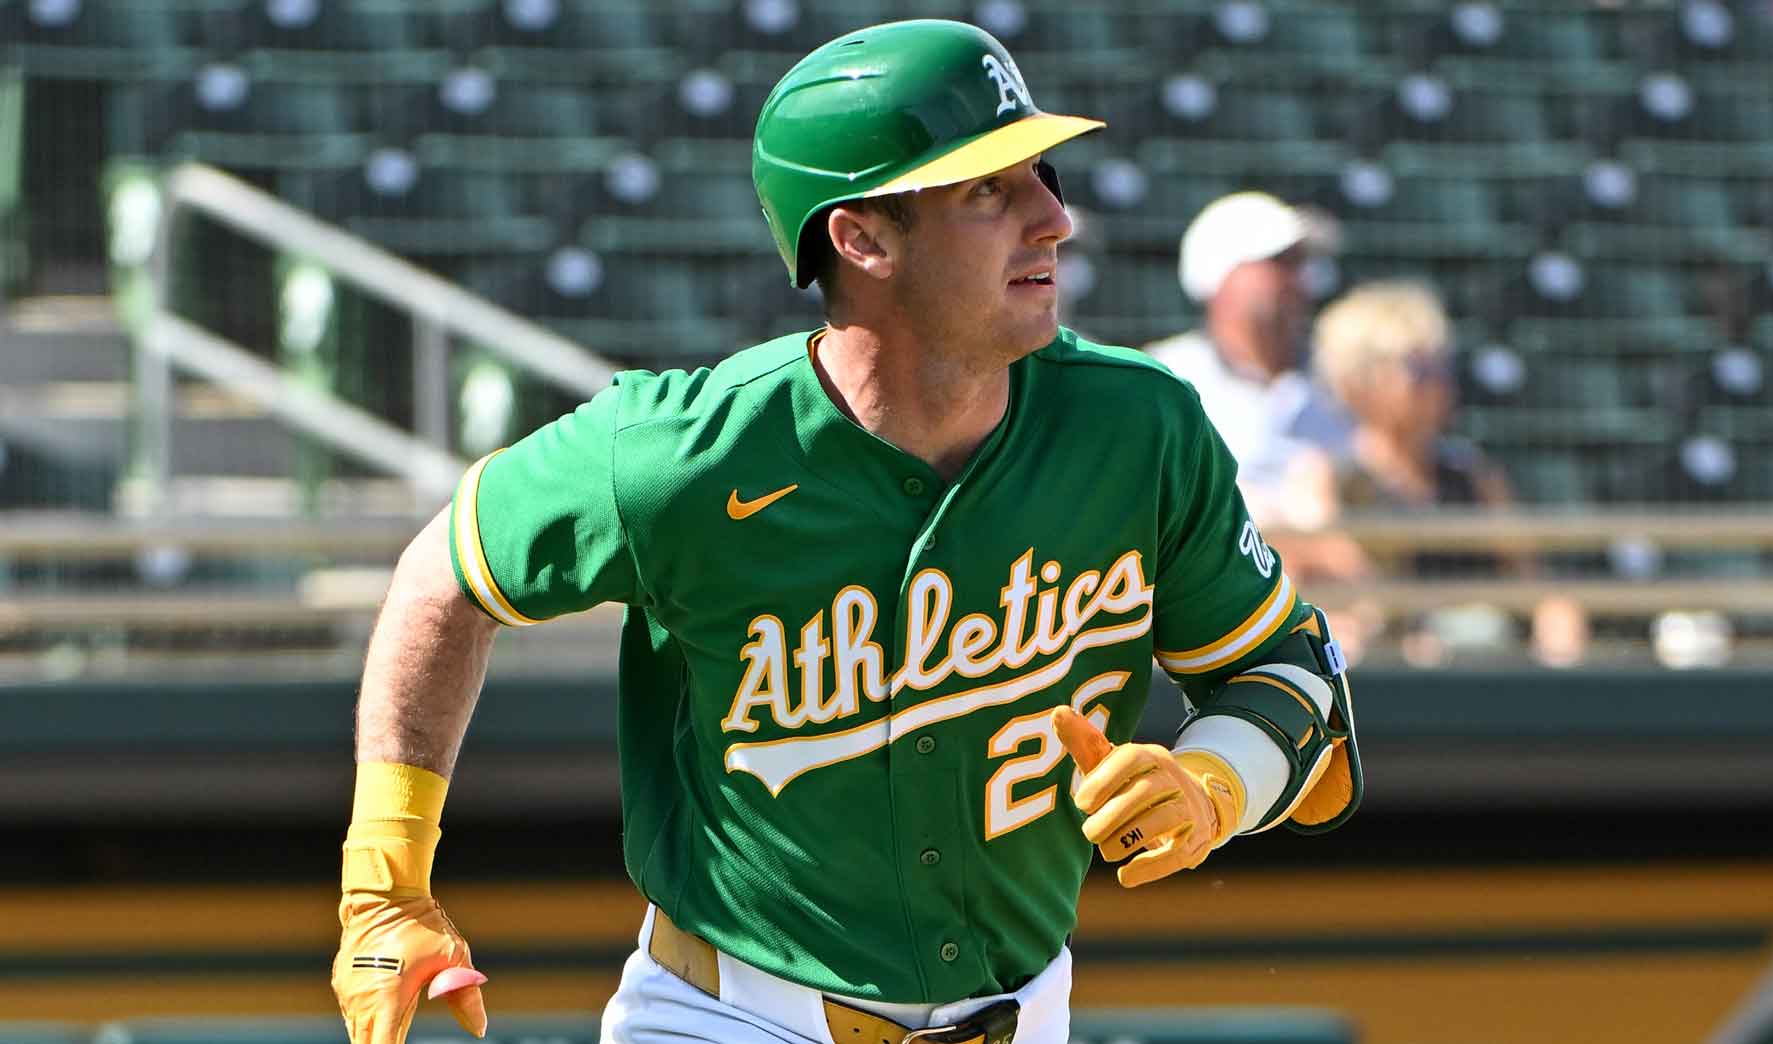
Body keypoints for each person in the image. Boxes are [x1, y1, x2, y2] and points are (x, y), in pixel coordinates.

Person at [329, 21, 1361, 1044]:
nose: (1053, 218)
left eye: (1041, 175)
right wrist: (383, 883)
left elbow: (1286, 670)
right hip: (728, 1019)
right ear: (861, 236)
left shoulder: (1135, 425)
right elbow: (446, 573)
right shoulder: (683, 452)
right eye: (986, 191)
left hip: (1024, 1016)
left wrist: (1214, 784)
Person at [1302, 280, 1586, 666]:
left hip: (1476, 662)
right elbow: (1353, 586)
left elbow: (1536, 584)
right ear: (1362, 379)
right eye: (1419, 369)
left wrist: (1559, 646)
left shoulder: (1472, 474)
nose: (1440, 383)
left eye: (1442, 366)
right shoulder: (1328, 478)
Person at [1144, 192, 1367, 581]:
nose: (1300, 279)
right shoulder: (1164, 376)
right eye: (1280, 262)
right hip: (1215, 590)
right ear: (1221, 276)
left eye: (1301, 263)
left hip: (1344, 587)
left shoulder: (1343, 372)